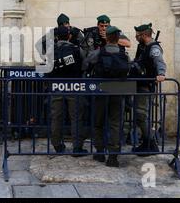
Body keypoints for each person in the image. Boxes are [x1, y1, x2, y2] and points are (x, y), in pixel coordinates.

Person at [83, 26, 130, 167]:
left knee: (98, 122)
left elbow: (86, 63)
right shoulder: (124, 54)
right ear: (118, 38)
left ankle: (100, 152)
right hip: (117, 90)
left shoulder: (98, 53)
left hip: (101, 90)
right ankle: (113, 156)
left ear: (107, 38)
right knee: (115, 123)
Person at [48, 26, 89, 156]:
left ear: (56, 37)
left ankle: (57, 145)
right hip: (74, 86)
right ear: (69, 36)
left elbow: (46, 68)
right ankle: (77, 147)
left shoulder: (50, 51)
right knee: (76, 117)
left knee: (56, 117)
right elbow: (85, 65)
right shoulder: (77, 50)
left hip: (56, 86)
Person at [131, 23, 166, 155]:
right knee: (140, 115)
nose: (136, 37)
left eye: (137, 35)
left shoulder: (154, 48)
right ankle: (147, 143)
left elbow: (159, 61)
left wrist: (161, 74)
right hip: (139, 85)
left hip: (146, 86)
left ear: (144, 35)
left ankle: (150, 144)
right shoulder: (143, 47)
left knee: (141, 115)